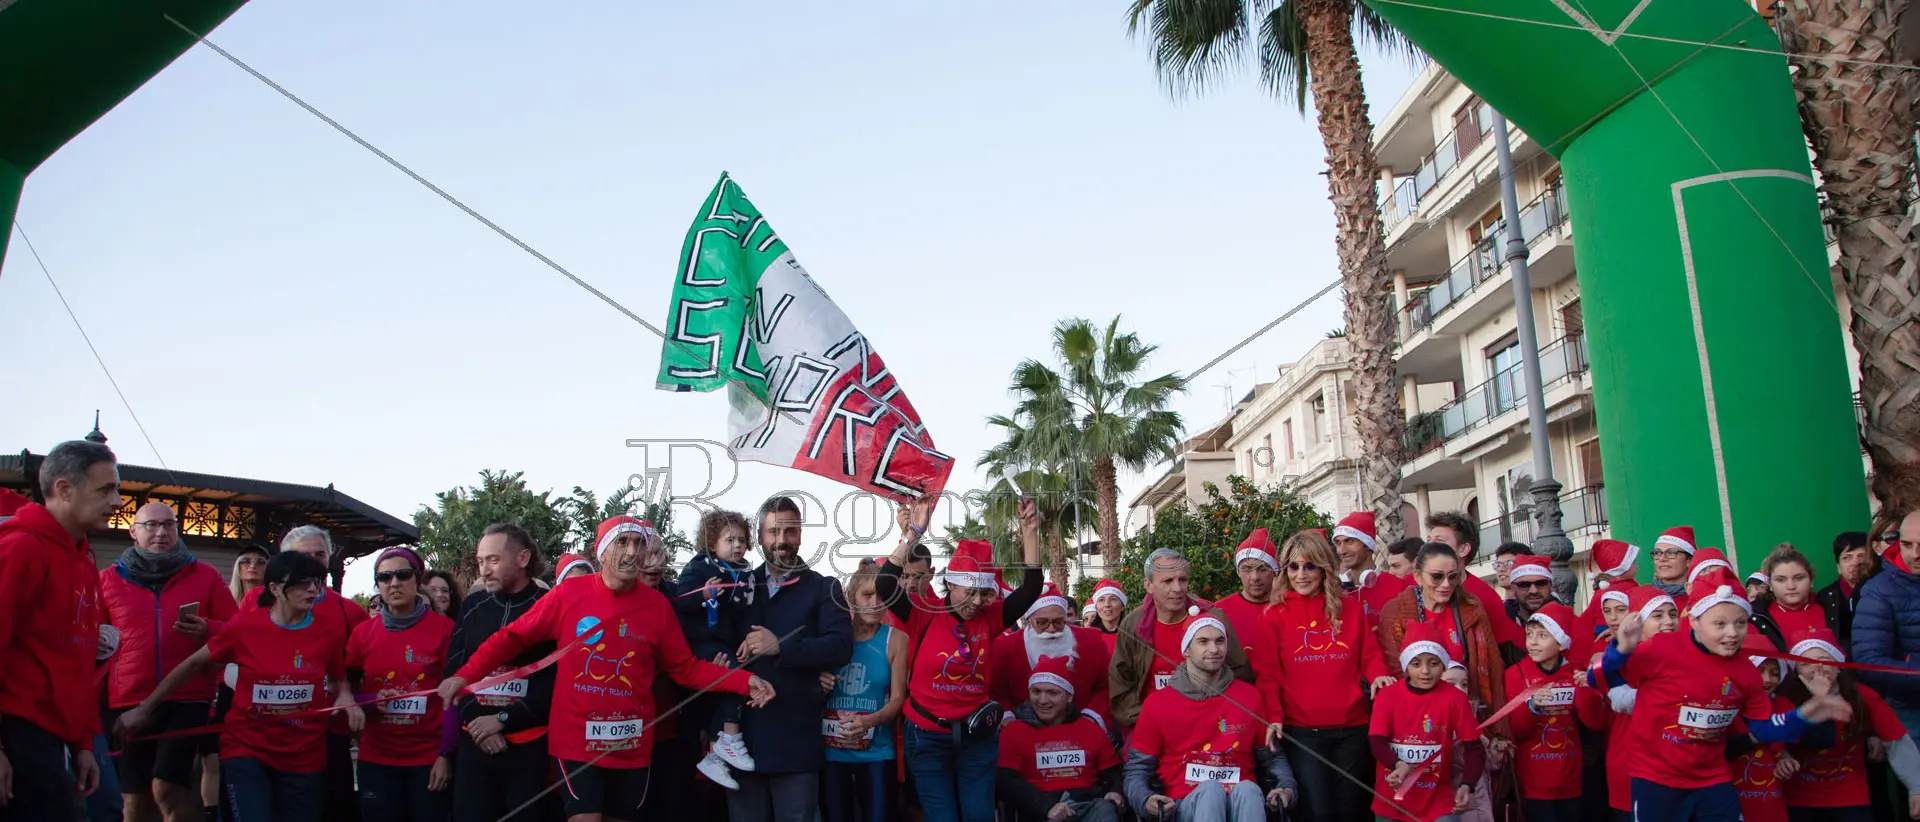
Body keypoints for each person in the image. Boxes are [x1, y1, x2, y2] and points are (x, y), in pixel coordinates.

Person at [439, 514, 776, 822]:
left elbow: (685, 668)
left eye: (639, 544)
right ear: (602, 551)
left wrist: (745, 680)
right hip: (576, 742)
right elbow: (511, 638)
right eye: (622, 542)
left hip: (632, 744)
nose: (631, 551)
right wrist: (463, 676)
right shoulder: (570, 593)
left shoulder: (657, 606)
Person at [117, 552, 361, 822]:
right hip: (247, 751)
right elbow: (193, 664)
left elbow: (339, 680)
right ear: (276, 589)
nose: (313, 590)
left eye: (317, 581)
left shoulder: (328, 631)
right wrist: (143, 709)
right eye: (303, 583)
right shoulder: (246, 626)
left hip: (305, 756)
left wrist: (345, 699)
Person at [1595, 572, 1852, 821]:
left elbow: (1762, 729)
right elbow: (1599, 680)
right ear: (1694, 621)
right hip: (1657, 781)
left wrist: (1803, 715)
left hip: (1713, 780)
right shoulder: (1661, 650)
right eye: (1720, 624)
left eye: (1740, 623)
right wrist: (1622, 650)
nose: (1732, 633)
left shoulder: (1746, 672)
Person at [875, 498, 1043, 822]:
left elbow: (1032, 587)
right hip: (926, 738)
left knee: (979, 816)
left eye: (982, 594)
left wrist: (1030, 531)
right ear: (950, 582)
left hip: (976, 738)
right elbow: (885, 583)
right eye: (968, 591)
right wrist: (914, 534)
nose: (976, 601)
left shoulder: (990, 617)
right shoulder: (924, 613)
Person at [99, 500, 239, 822]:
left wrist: (210, 628)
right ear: (133, 532)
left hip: (186, 698)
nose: (161, 532)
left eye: (169, 524)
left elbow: (236, 631)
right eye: (152, 525)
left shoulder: (204, 575)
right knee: (133, 800)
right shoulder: (107, 579)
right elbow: (94, 643)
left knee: (168, 788)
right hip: (126, 699)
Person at [0, 439, 117, 819]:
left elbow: (77, 662)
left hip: (56, 739)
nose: (117, 502)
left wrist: (83, 742)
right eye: (106, 489)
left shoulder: (84, 561)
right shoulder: (21, 548)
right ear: (64, 489)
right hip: (17, 734)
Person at [722, 497, 854, 822]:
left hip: (796, 743)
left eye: (790, 531)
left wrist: (781, 646)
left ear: (800, 534)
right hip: (741, 745)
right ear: (761, 536)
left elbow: (840, 646)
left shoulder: (824, 588)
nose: (782, 541)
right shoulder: (738, 585)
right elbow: (717, 648)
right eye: (774, 532)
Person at [1252, 529, 1389, 822]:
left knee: (1351, 812)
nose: (1301, 574)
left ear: (1324, 568)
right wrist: (1273, 715)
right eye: (1293, 566)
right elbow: (1267, 675)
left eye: (1310, 566)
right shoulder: (1274, 614)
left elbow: (1370, 655)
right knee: (1317, 812)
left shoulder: (1349, 608)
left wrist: (1379, 675)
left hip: (1352, 730)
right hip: (1303, 732)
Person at [1125, 619, 1295, 822]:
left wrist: (1286, 789)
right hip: (1184, 804)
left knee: (1249, 790)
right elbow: (1137, 769)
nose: (1214, 649)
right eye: (1203, 641)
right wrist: (1145, 799)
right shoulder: (1157, 703)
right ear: (1186, 650)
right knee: (1210, 791)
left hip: (1242, 800)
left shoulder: (1250, 696)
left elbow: (1273, 758)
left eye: (1220, 641)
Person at [442, 523, 556, 822]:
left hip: (528, 746)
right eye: (480, 561)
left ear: (522, 558)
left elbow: (555, 680)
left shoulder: (548, 606)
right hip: (474, 743)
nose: (484, 570)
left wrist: (504, 720)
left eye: (493, 560)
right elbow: (454, 669)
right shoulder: (473, 605)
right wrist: (477, 724)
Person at [261, 525, 371, 822]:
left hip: (329, 732)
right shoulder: (258, 604)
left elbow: (360, 670)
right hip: (270, 733)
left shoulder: (351, 611)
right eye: (302, 555)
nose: (312, 562)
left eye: (319, 555)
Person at [346, 547, 455, 822]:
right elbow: (345, 690)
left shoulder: (444, 629)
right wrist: (370, 700)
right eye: (384, 577)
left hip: (427, 759)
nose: (393, 583)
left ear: (417, 580)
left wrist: (445, 756)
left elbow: (455, 697)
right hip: (376, 758)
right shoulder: (362, 633)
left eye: (402, 575)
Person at [1776, 627, 1920, 821]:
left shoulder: (1862, 696)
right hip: (1798, 797)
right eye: (1806, 663)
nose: (1817, 669)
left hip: (1849, 795)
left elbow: (1896, 740)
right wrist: (1782, 755)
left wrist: (1916, 787)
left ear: (1839, 665)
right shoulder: (1785, 700)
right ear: (1796, 671)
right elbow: (1773, 739)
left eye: (1825, 661)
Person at [1110, 548, 1253, 730]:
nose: (1177, 588)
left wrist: (1220, 714)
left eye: (1182, 580)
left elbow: (1240, 673)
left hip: (1210, 723)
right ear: (1149, 585)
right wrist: (1147, 718)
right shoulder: (1133, 625)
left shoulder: (1212, 618)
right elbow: (1120, 684)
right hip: (1153, 724)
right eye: (1168, 581)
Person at [1377, 543, 1508, 735]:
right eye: (1437, 576)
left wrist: (1500, 732)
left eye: (1453, 577)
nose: (1446, 584)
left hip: (1469, 717)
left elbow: (1493, 669)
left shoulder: (1472, 608)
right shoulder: (1395, 611)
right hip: (1417, 720)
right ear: (1418, 576)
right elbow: (1396, 671)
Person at [675, 508, 762, 788]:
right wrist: (702, 594)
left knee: (731, 683)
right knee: (736, 681)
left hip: (728, 645)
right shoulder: (700, 567)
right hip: (700, 645)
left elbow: (748, 614)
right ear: (713, 543)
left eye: (742, 540)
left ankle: (716, 756)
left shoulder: (747, 575)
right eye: (730, 540)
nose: (738, 545)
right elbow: (680, 600)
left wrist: (748, 640)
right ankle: (731, 738)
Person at [1370, 618, 1482, 822]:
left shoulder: (1454, 698)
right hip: (1392, 799)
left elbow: (1474, 747)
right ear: (1405, 665)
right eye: (1416, 663)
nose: (1425, 671)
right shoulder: (1387, 695)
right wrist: (1397, 764)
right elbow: (1377, 742)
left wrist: (1467, 785)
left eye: (1434, 663)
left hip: (1436, 800)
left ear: (1443, 664)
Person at [821, 562, 907, 822]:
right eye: (867, 595)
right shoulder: (832, 636)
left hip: (877, 753)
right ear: (852, 598)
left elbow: (898, 699)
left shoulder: (896, 639)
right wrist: (818, 681)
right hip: (832, 753)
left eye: (882, 595)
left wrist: (869, 721)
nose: (875, 603)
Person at [1503, 602, 1603, 822]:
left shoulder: (1575, 672)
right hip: (1533, 780)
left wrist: (1586, 690)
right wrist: (1531, 706)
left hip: (1571, 778)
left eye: (1542, 635)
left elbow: (1594, 722)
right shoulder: (1515, 673)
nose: (1533, 642)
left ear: (1560, 643)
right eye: (1530, 634)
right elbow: (1517, 729)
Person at [997, 656, 1123, 822]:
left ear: (1069, 696)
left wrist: (1116, 791)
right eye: (1036, 691)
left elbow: (1113, 771)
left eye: (1052, 693)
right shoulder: (1014, 731)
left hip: (1088, 805)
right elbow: (1006, 781)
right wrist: (1045, 807)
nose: (1043, 700)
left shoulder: (1090, 728)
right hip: (1039, 808)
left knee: (1105, 809)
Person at [988, 584, 1113, 726]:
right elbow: (998, 693)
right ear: (1029, 620)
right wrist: (1007, 718)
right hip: (1025, 730)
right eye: (1042, 623)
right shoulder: (1005, 647)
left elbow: (1107, 688)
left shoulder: (1091, 641)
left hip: (1081, 727)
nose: (1052, 629)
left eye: (1059, 622)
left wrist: (1092, 716)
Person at [1853, 508, 1920, 740]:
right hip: (1911, 710)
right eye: (1907, 544)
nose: (1915, 554)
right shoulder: (1879, 591)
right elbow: (1868, 661)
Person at [1423, 512, 1524, 649]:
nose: (1429, 546)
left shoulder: (1485, 596)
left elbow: (1506, 647)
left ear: (1464, 549)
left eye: (1439, 541)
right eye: (1429, 540)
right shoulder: (1409, 586)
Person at [1727, 629, 1792, 822]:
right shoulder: (1723, 707)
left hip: (1768, 803)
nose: (1768, 680)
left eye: (1774, 673)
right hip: (1728, 800)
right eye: (1760, 670)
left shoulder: (1781, 706)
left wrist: (1785, 758)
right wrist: (1757, 737)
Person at [1748, 544, 1845, 652]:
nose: (1791, 586)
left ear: (1811, 581)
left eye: (1799, 578)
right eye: (1781, 580)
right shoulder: (1757, 617)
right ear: (1770, 584)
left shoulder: (1834, 608)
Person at [1332, 513, 1409, 630]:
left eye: (1349, 541)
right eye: (1338, 543)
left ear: (1368, 544)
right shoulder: (1335, 591)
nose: (1341, 551)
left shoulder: (1398, 588)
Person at [1213, 528, 1279, 663]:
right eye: (1247, 569)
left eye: (1262, 569)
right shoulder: (1219, 612)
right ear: (1238, 572)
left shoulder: (1288, 608)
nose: (1255, 577)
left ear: (1275, 571)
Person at [1817, 531, 1876, 649]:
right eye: (1847, 558)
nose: (1855, 562)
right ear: (1838, 567)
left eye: (1861, 556)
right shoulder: (1824, 599)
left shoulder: (1882, 591)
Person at [1648, 525, 1698, 606]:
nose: (1662, 558)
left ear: (1689, 560)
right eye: (1657, 553)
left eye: (1671, 553)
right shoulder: (1643, 597)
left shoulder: (1701, 599)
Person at [1504, 554, 1557, 626]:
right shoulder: (1498, 624)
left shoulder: (1568, 623)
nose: (1533, 591)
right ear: (1512, 588)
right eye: (1524, 585)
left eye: (1541, 583)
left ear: (1550, 585)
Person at [1086, 580, 1127, 652]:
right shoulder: (1088, 638)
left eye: (1113, 599)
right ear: (1096, 607)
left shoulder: (1133, 636)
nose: (1107, 604)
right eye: (1101, 600)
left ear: (1123, 606)